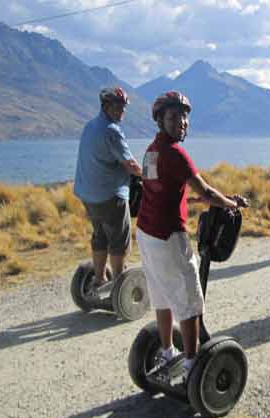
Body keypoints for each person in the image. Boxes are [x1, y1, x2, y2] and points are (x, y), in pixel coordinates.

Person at [136, 90, 247, 382]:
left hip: (146, 235)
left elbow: (164, 193)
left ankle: (167, 350)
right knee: (190, 301)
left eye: (184, 116)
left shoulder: (151, 151)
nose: (182, 122)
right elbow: (205, 190)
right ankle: (191, 364)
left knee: (161, 295)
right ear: (160, 120)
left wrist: (216, 200)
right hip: (168, 237)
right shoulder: (175, 153)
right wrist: (231, 204)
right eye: (174, 117)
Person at [73, 87, 142, 287]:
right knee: (119, 240)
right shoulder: (111, 130)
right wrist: (149, 175)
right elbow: (130, 164)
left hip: (88, 194)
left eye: (124, 107)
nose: (122, 111)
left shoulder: (90, 126)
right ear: (105, 106)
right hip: (110, 195)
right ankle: (120, 282)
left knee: (100, 235)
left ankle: (99, 278)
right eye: (118, 107)